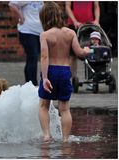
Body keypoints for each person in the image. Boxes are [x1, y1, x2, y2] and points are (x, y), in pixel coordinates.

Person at [38, 2, 91, 142]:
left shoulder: (45, 35)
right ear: (59, 15)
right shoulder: (70, 33)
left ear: (44, 18)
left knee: (44, 105)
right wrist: (86, 51)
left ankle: (47, 135)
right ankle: (65, 139)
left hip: (50, 71)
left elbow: (44, 57)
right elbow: (79, 52)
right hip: (65, 71)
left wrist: (44, 78)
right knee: (65, 108)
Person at [8, 1, 44, 86]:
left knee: (32, 58)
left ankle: (29, 84)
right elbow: (12, 4)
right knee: (33, 57)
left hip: (39, 32)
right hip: (27, 31)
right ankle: (33, 84)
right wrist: (20, 17)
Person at [65, 1, 100, 79]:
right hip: (74, 26)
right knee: (72, 55)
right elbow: (67, 7)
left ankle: (92, 79)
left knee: (91, 53)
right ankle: (72, 80)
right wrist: (74, 21)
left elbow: (96, 6)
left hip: (89, 25)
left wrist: (97, 20)